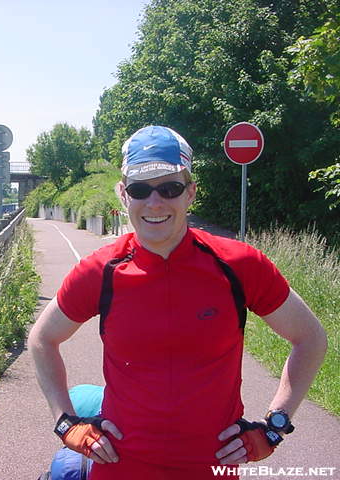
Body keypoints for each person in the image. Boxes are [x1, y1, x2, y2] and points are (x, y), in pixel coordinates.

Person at [27, 125, 327, 479]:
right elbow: (42, 339)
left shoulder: (239, 265)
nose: (154, 203)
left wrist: (275, 424)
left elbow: (311, 339)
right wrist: (65, 422)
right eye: (140, 190)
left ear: (190, 193)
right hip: (120, 466)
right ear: (124, 195)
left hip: (212, 467)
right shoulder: (100, 271)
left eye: (169, 188)